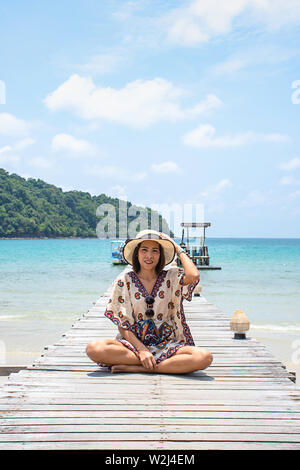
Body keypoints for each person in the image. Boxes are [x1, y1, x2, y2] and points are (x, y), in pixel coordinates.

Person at [86, 230, 213, 374]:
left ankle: (143, 368)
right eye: (144, 250)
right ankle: (161, 363)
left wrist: (177, 248)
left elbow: (194, 275)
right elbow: (123, 324)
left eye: (155, 251)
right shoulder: (125, 280)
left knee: (204, 357)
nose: (149, 256)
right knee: (94, 348)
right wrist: (142, 350)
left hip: (168, 345)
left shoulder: (171, 277)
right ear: (137, 253)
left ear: (161, 255)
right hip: (133, 347)